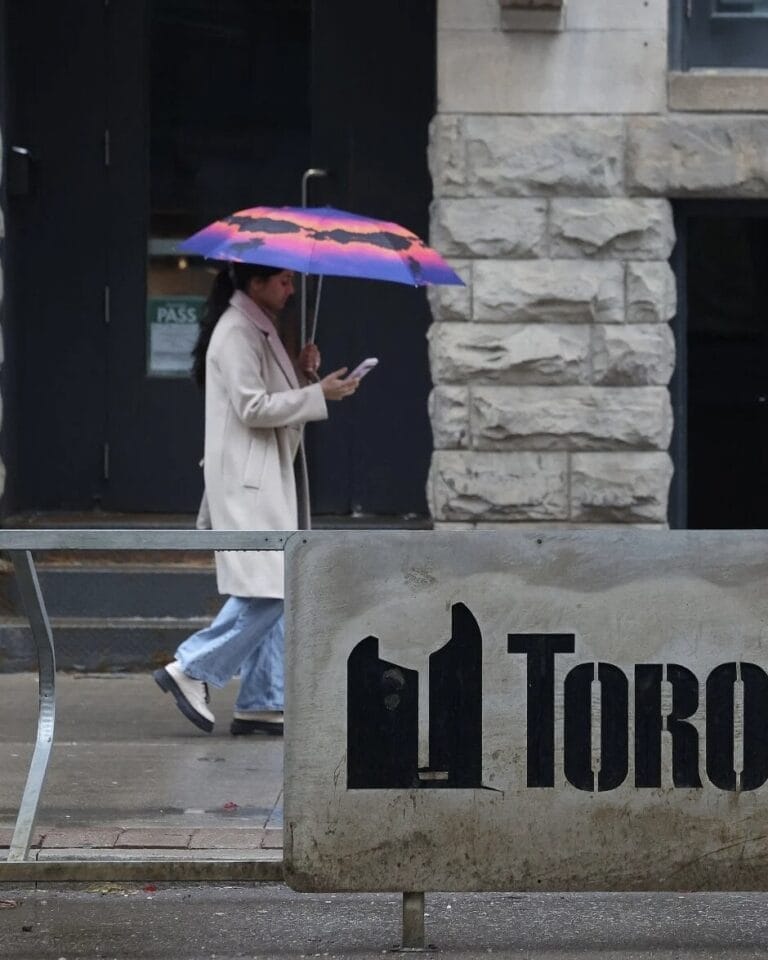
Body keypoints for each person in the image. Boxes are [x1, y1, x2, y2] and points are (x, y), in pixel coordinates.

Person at [154, 262, 358, 735]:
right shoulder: (238, 331)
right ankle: (192, 667)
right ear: (255, 283)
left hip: (260, 477)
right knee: (273, 586)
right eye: (283, 280)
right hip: (249, 482)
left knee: (274, 586)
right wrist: (317, 394)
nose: (291, 288)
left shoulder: (255, 327)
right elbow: (253, 407)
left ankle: (263, 700)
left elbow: (268, 398)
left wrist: (308, 379)